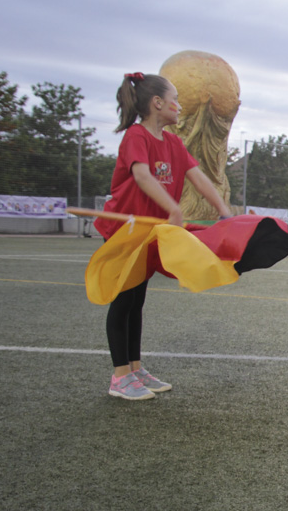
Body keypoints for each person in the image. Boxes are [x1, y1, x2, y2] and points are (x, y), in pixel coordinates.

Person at [95, 72, 233, 401]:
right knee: (124, 299)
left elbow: (198, 178)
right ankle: (119, 377)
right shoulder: (136, 136)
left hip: (149, 232)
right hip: (125, 231)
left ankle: (134, 368)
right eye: (175, 99)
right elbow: (142, 175)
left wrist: (225, 212)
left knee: (137, 301)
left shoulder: (173, 142)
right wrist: (174, 208)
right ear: (158, 104)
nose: (179, 105)